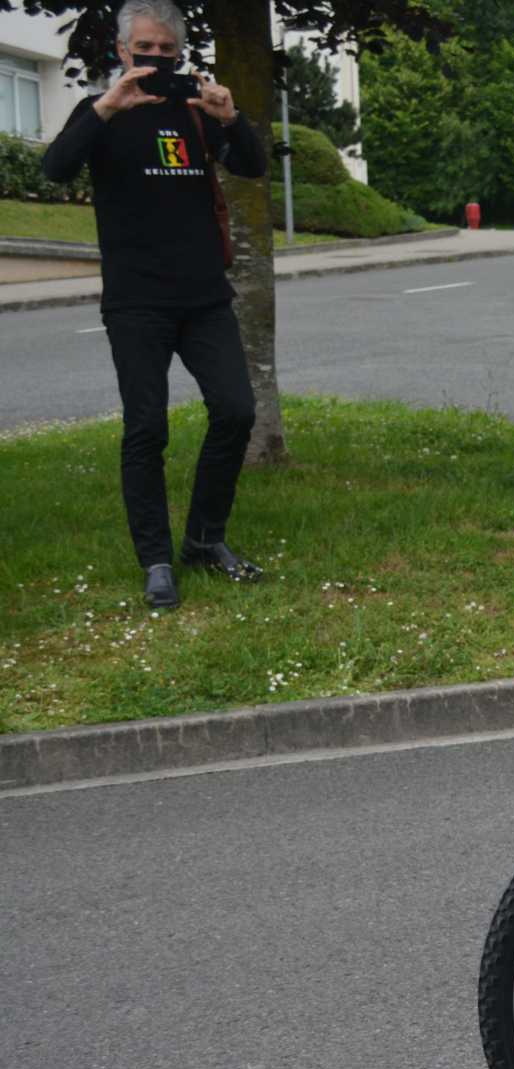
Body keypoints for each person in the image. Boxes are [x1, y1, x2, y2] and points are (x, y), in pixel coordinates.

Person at [41, 0, 268, 611]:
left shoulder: (195, 109)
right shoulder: (101, 114)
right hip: (137, 301)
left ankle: (203, 539)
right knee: (146, 428)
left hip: (204, 298)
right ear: (121, 52)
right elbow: (55, 168)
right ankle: (157, 561)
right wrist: (106, 107)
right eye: (145, 49)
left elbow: (252, 166)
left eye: (168, 51)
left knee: (236, 412)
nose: (157, 59)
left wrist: (232, 117)